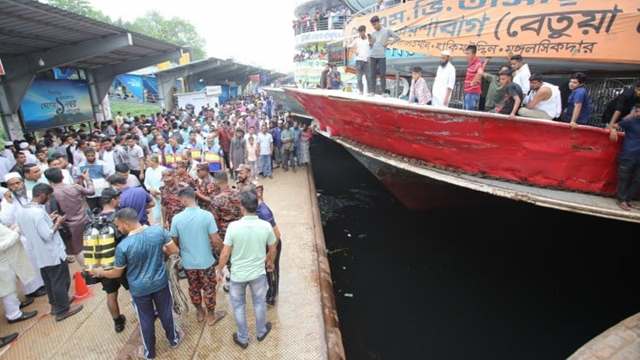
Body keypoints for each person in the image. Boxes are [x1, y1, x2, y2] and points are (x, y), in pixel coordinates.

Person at [90, 208, 182, 359]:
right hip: (160, 283)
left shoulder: (123, 246)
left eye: (118, 225)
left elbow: (116, 273)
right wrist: (159, 251)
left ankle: (149, 353)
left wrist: (100, 272)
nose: (118, 229)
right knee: (166, 312)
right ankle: (174, 339)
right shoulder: (158, 231)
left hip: (139, 290)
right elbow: (174, 251)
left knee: (145, 319)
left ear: (125, 224)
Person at [215, 191, 278, 349]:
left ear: (241, 207)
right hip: (258, 274)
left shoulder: (233, 227)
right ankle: (261, 331)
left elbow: (225, 252)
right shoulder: (265, 226)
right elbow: (273, 246)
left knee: (238, 306)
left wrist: (219, 269)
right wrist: (270, 261)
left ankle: (243, 338)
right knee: (259, 303)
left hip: (238, 275)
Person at [17, 183, 83, 321]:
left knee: (49, 281)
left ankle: (56, 305)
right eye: (48, 196)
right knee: (60, 281)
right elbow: (47, 235)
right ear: (41, 195)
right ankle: (63, 310)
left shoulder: (22, 210)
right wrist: (58, 222)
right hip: (51, 252)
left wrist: (49, 219)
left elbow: (30, 229)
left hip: (39, 253)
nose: (48, 199)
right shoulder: (38, 213)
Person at [167, 187, 226, 325]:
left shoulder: (176, 219)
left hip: (188, 263)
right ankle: (211, 316)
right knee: (209, 288)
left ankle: (200, 312)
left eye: (180, 199)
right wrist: (224, 253)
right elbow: (216, 240)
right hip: (206, 261)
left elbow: (173, 242)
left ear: (184, 199)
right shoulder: (206, 216)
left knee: (193, 287)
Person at [45, 167, 94, 266]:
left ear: (49, 180)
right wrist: (87, 179)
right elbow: (91, 192)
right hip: (85, 220)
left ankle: (89, 271)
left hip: (69, 227)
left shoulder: (51, 194)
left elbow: (52, 213)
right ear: (62, 176)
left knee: (78, 250)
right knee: (89, 245)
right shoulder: (75, 187)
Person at [96, 188, 129, 332]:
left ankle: (117, 322)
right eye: (118, 198)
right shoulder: (119, 217)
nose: (120, 201)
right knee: (135, 290)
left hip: (104, 262)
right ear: (113, 200)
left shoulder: (94, 218)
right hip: (122, 260)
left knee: (111, 294)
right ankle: (144, 314)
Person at [0, 222, 38, 324]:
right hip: (2, 264)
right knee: (7, 290)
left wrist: (11, 231)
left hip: (6, 261)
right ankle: (14, 314)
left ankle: (15, 305)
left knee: (11, 286)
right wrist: (15, 233)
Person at [610, 104, 640, 211]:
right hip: (629, 154)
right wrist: (613, 131)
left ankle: (627, 200)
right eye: (638, 111)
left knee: (637, 180)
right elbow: (614, 125)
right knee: (624, 178)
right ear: (636, 112)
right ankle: (622, 200)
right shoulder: (630, 121)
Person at [367, 15, 400, 95]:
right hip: (372, 56)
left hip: (382, 56)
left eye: (375, 24)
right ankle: (372, 91)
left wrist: (389, 42)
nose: (374, 27)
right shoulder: (373, 33)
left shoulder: (386, 30)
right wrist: (370, 41)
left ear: (378, 22)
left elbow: (397, 37)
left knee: (382, 74)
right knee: (372, 74)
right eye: (372, 25)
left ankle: (383, 92)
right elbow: (371, 46)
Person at [143, 155, 166, 225]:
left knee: (166, 215)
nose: (146, 162)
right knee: (156, 216)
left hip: (164, 195)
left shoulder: (163, 170)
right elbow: (146, 183)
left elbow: (167, 183)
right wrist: (150, 190)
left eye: (148, 161)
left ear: (154, 161)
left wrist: (159, 192)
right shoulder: (148, 170)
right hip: (154, 196)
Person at [349, 25, 370, 94]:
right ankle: (361, 91)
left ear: (364, 32)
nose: (360, 34)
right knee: (359, 78)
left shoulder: (368, 40)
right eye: (359, 32)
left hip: (366, 61)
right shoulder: (357, 40)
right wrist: (355, 51)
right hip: (359, 61)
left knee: (368, 77)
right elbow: (349, 46)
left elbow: (372, 46)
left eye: (362, 32)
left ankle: (370, 92)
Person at [463, 45, 484, 111]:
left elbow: (480, 73)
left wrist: (473, 82)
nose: (466, 55)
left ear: (474, 54)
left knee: (469, 114)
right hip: (469, 93)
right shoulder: (472, 64)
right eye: (466, 53)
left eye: (468, 53)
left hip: (472, 93)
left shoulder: (477, 63)